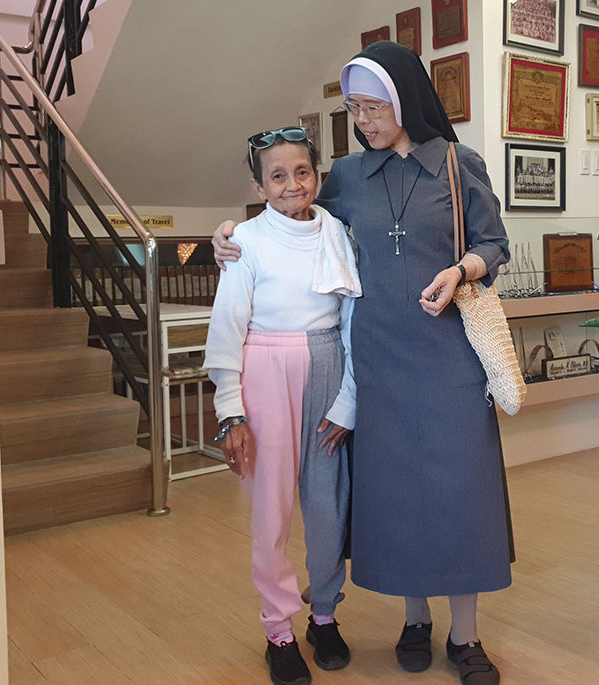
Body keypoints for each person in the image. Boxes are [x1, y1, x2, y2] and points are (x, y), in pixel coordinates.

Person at [213, 42, 514, 685]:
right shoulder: (346, 174)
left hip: (452, 357)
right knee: (398, 495)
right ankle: (414, 621)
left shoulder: (462, 165)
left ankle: (466, 638)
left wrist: (462, 268)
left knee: (462, 493)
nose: (364, 120)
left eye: (374, 106)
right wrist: (226, 236)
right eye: (354, 109)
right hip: (378, 363)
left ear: (405, 97)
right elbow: (291, 216)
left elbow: (496, 242)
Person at [203, 126, 360, 685]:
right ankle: (278, 629)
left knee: (328, 505)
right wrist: (232, 412)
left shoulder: (337, 231)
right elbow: (227, 328)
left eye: (302, 172)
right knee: (271, 509)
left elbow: (351, 322)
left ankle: (323, 614)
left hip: (328, 369)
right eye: (277, 175)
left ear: (316, 175)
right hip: (264, 369)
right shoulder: (244, 240)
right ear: (259, 184)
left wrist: (348, 401)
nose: (292, 184)